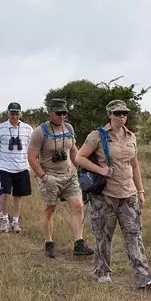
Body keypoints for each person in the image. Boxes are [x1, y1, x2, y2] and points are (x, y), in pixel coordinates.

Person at [75, 99, 151, 288]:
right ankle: (102, 271)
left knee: (134, 234)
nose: (122, 117)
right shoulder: (98, 135)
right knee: (104, 236)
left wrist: (140, 191)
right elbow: (79, 157)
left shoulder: (131, 136)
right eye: (117, 114)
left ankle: (143, 276)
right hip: (106, 194)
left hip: (128, 193)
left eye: (124, 113)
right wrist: (100, 170)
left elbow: (135, 164)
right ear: (109, 115)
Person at [28, 99, 94, 259]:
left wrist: (80, 167)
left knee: (78, 206)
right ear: (50, 112)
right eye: (59, 113)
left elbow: (72, 150)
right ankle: (48, 242)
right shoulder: (39, 132)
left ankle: (79, 242)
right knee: (50, 209)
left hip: (69, 175)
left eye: (64, 113)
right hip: (50, 177)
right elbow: (31, 157)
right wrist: (43, 176)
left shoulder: (69, 128)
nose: (62, 116)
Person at [0, 103, 34, 234]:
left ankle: (15, 221)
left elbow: (32, 149)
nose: (15, 116)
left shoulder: (28, 129)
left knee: (18, 195)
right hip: (5, 166)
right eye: (12, 114)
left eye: (17, 114)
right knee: (5, 194)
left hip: (22, 166)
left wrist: (33, 165)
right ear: (8, 113)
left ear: (20, 114)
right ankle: (5, 219)